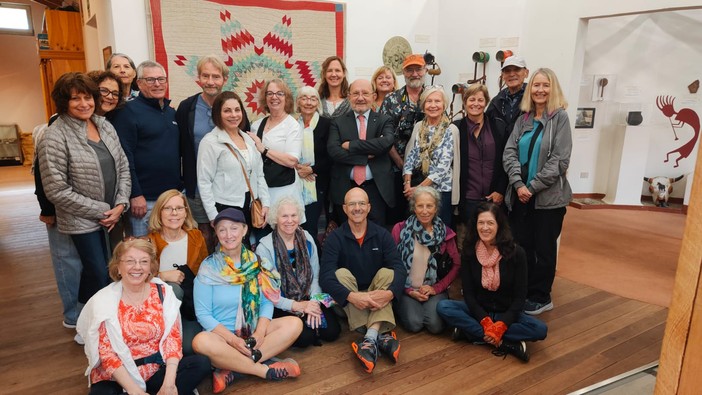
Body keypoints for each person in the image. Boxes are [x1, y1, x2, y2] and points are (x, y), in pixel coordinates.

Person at [37, 72, 131, 337]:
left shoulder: (104, 125)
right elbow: (56, 188)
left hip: (114, 212)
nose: (83, 104)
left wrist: (121, 204)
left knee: (111, 270)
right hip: (82, 219)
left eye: (87, 97)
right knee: (97, 272)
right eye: (75, 98)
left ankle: (97, 320)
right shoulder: (53, 136)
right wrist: (101, 211)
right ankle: (87, 326)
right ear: (63, 102)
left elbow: (122, 165)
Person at [76, 239, 211, 394]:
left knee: (201, 363)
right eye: (130, 261)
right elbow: (107, 354)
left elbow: (172, 339)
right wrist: (135, 391)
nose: (137, 267)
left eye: (144, 261)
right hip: (121, 376)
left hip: (157, 370)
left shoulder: (163, 293)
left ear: (151, 268)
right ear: (118, 267)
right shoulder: (104, 301)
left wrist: (169, 383)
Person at [192, 208, 303, 393]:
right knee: (200, 342)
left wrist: (260, 333)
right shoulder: (208, 268)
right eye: (222, 230)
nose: (228, 235)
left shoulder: (257, 263)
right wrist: (233, 341)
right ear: (217, 234)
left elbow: (266, 301)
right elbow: (203, 315)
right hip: (222, 338)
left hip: (251, 334)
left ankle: (232, 368)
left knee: (294, 324)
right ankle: (263, 370)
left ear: (244, 231)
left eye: (234, 228)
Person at [436, 202, 548, 362]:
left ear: (499, 225)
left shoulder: (516, 253)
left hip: (507, 312)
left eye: (490, 223)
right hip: (479, 311)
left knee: (540, 329)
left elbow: (520, 298)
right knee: (443, 307)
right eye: (480, 223)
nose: (485, 228)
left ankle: (470, 333)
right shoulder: (469, 251)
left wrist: (502, 324)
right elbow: (468, 294)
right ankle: (504, 343)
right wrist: (485, 321)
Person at [502, 68, 572, 315]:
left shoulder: (560, 118)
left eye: (545, 85)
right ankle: (524, 292)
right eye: (536, 85)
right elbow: (509, 152)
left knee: (543, 249)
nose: (540, 90)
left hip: (547, 200)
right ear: (529, 89)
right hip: (520, 196)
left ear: (553, 89)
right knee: (522, 246)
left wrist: (531, 187)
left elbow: (559, 161)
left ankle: (541, 296)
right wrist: (519, 185)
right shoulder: (524, 119)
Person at [319, 188, 406, 374]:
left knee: (388, 273)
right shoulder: (335, 238)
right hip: (351, 300)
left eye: (361, 204)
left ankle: (369, 339)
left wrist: (389, 293)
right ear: (344, 208)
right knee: (339, 274)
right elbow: (325, 276)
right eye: (352, 204)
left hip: (376, 293)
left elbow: (399, 268)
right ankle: (381, 335)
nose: (357, 208)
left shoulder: (382, 235)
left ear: (368, 207)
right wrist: (352, 296)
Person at [257, 197, 341, 347]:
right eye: (284, 216)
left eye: (293, 215)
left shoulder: (307, 238)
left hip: (309, 296)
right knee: (305, 338)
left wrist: (313, 303)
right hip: (283, 303)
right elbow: (270, 293)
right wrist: (298, 306)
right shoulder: (264, 248)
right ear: (275, 218)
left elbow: (315, 275)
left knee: (332, 332)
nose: (290, 220)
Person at [111, 60, 182, 237]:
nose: (157, 84)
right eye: (150, 80)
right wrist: (135, 194)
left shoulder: (171, 112)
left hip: (172, 196)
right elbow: (125, 157)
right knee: (144, 253)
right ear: (139, 83)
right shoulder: (127, 111)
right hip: (144, 200)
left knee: (169, 249)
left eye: (161, 79)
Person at [198, 91, 270, 244]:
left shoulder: (249, 139)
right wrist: (213, 215)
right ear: (218, 113)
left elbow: (259, 175)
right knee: (230, 252)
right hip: (225, 208)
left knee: (245, 251)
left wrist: (265, 203)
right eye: (227, 110)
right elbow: (204, 181)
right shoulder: (211, 142)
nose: (233, 115)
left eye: (237, 110)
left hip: (249, 207)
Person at [176, 55, 232, 253]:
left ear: (224, 79)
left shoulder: (232, 106)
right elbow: (179, 147)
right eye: (205, 76)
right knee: (204, 236)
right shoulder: (187, 108)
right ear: (198, 78)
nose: (210, 82)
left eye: (216, 77)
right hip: (199, 186)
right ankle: (206, 277)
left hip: (228, 188)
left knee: (229, 234)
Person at [391, 186, 460, 334]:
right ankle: (401, 305)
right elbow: (392, 264)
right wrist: (408, 290)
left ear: (436, 208)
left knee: (435, 326)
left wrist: (436, 288)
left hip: (434, 288)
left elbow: (456, 265)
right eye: (420, 206)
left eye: (429, 206)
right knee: (415, 324)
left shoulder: (445, 233)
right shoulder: (400, 229)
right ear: (413, 208)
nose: (424, 211)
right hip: (406, 289)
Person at [147, 189, 209, 355]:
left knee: (188, 348)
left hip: (188, 307)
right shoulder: (149, 242)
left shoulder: (196, 237)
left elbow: (205, 274)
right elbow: (133, 278)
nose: (174, 213)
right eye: (168, 208)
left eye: (179, 208)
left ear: (185, 212)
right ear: (159, 213)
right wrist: (162, 276)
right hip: (158, 313)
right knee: (173, 289)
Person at [327, 79, 395, 226]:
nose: (360, 98)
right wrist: (367, 156)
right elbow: (334, 151)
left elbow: (386, 143)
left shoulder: (384, 120)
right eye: (355, 93)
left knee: (376, 236)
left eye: (365, 93)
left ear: (374, 96)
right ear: (349, 97)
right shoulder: (337, 122)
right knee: (347, 235)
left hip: (377, 190)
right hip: (346, 188)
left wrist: (351, 145)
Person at [249, 79, 304, 225]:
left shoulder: (292, 125)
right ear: (265, 98)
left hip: (284, 191)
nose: (274, 97)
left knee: (285, 230)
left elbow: (292, 161)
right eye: (270, 93)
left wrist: (264, 149)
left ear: (287, 98)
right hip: (262, 191)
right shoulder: (256, 125)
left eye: (280, 93)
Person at [380, 54, 427, 225]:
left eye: (418, 69)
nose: (415, 74)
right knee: (397, 219)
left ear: (425, 71)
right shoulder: (391, 100)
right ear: (403, 73)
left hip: (426, 173)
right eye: (410, 70)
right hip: (395, 169)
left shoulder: (432, 97)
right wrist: (401, 165)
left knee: (423, 218)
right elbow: (386, 136)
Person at [402, 85, 458, 227]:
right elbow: (411, 156)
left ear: (444, 105)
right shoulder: (419, 126)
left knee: (440, 232)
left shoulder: (450, 129)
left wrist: (419, 189)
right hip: (417, 190)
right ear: (423, 105)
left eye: (437, 101)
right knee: (417, 230)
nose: (433, 105)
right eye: (429, 101)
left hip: (441, 191)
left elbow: (442, 168)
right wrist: (408, 184)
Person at [454, 83, 509, 224]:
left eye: (480, 100)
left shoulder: (498, 126)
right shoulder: (456, 128)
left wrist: (500, 190)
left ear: (486, 103)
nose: (476, 104)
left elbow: (506, 160)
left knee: (492, 241)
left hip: (493, 198)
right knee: (468, 241)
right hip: (467, 198)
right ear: (465, 102)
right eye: (471, 100)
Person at [294, 86, 332, 239]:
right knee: (296, 225)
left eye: (313, 98)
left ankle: (313, 260)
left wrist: (311, 169)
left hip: (319, 183)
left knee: (311, 227)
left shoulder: (327, 124)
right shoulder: (292, 125)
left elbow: (332, 156)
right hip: (295, 182)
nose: (308, 102)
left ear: (318, 103)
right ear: (298, 102)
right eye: (304, 98)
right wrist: (298, 168)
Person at [485, 56, 529, 144]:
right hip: (501, 155)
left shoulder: (534, 98)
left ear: (526, 73)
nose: (512, 74)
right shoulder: (496, 101)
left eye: (517, 69)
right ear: (503, 75)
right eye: (507, 71)